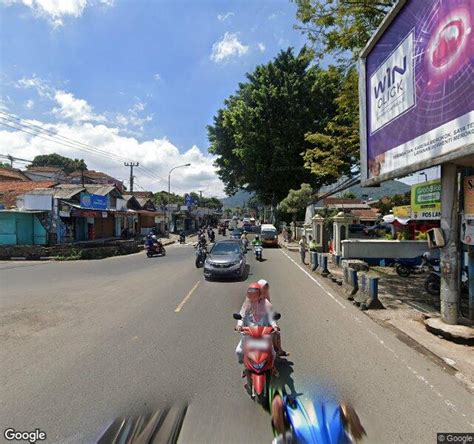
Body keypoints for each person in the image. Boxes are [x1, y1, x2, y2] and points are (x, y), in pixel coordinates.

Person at [235, 283, 279, 374]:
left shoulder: (266, 303)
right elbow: (241, 316)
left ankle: (272, 367)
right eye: (250, 293)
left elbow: (271, 317)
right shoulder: (246, 304)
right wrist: (239, 326)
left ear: (259, 294)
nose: (252, 296)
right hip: (248, 334)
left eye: (255, 293)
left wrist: (274, 326)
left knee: (273, 353)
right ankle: (246, 367)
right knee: (239, 351)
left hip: (263, 333)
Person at [257, 279, 288, 357]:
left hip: (266, 317)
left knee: (276, 332)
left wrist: (273, 315)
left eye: (266, 289)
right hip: (255, 320)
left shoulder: (266, 296)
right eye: (263, 289)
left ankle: (279, 349)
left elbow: (269, 305)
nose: (265, 291)